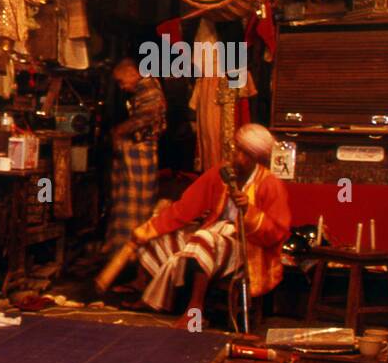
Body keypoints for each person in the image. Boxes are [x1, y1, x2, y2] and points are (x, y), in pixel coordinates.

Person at [129, 123, 290, 323]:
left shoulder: (270, 184)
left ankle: (195, 310)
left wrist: (249, 212)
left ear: (256, 159)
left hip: (248, 247)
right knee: (160, 237)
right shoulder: (221, 173)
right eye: (238, 150)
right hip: (214, 234)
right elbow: (185, 207)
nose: (238, 157)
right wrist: (149, 229)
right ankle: (151, 296)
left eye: (246, 154)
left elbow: (277, 233)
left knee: (202, 240)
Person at [107, 57, 166, 251]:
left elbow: (149, 114)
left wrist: (120, 131)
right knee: (130, 200)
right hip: (138, 152)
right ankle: (124, 248)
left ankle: (129, 249)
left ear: (133, 73)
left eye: (121, 81)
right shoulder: (143, 89)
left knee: (135, 201)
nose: (122, 87)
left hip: (142, 152)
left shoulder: (147, 86)